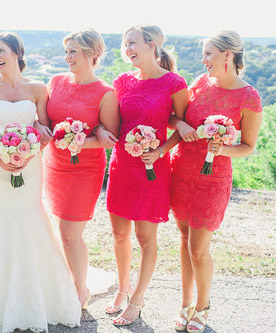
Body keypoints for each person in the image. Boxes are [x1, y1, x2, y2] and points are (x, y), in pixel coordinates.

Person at [0, 32, 81, 332]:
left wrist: (28, 155)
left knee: (28, 218)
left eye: (1, 50)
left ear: (17, 52)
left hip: (30, 168)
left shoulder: (37, 88)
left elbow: (44, 129)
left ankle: (34, 297)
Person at [169, 31, 262, 333]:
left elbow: (247, 147)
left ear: (228, 55)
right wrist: (180, 124)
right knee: (183, 241)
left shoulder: (249, 97)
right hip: (181, 171)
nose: (203, 59)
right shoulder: (198, 83)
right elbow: (174, 118)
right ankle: (184, 303)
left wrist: (222, 149)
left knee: (198, 248)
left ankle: (203, 305)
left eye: (208, 53)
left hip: (213, 180)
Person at [105, 25, 189, 326]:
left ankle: (137, 300)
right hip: (122, 167)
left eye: (132, 42)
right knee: (119, 234)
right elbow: (114, 120)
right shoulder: (122, 82)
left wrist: (161, 150)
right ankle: (123, 288)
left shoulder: (175, 83)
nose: (127, 49)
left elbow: (181, 125)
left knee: (144, 236)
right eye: (124, 43)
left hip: (153, 170)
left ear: (151, 45)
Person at [39, 29, 119, 307]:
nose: (67, 57)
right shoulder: (55, 81)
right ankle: (67, 282)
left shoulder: (105, 93)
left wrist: (77, 143)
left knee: (72, 235)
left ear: (91, 54)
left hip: (85, 171)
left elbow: (108, 139)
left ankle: (79, 291)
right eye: (67, 51)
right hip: (54, 166)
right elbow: (45, 121)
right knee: (61, 230)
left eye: (73, 51)